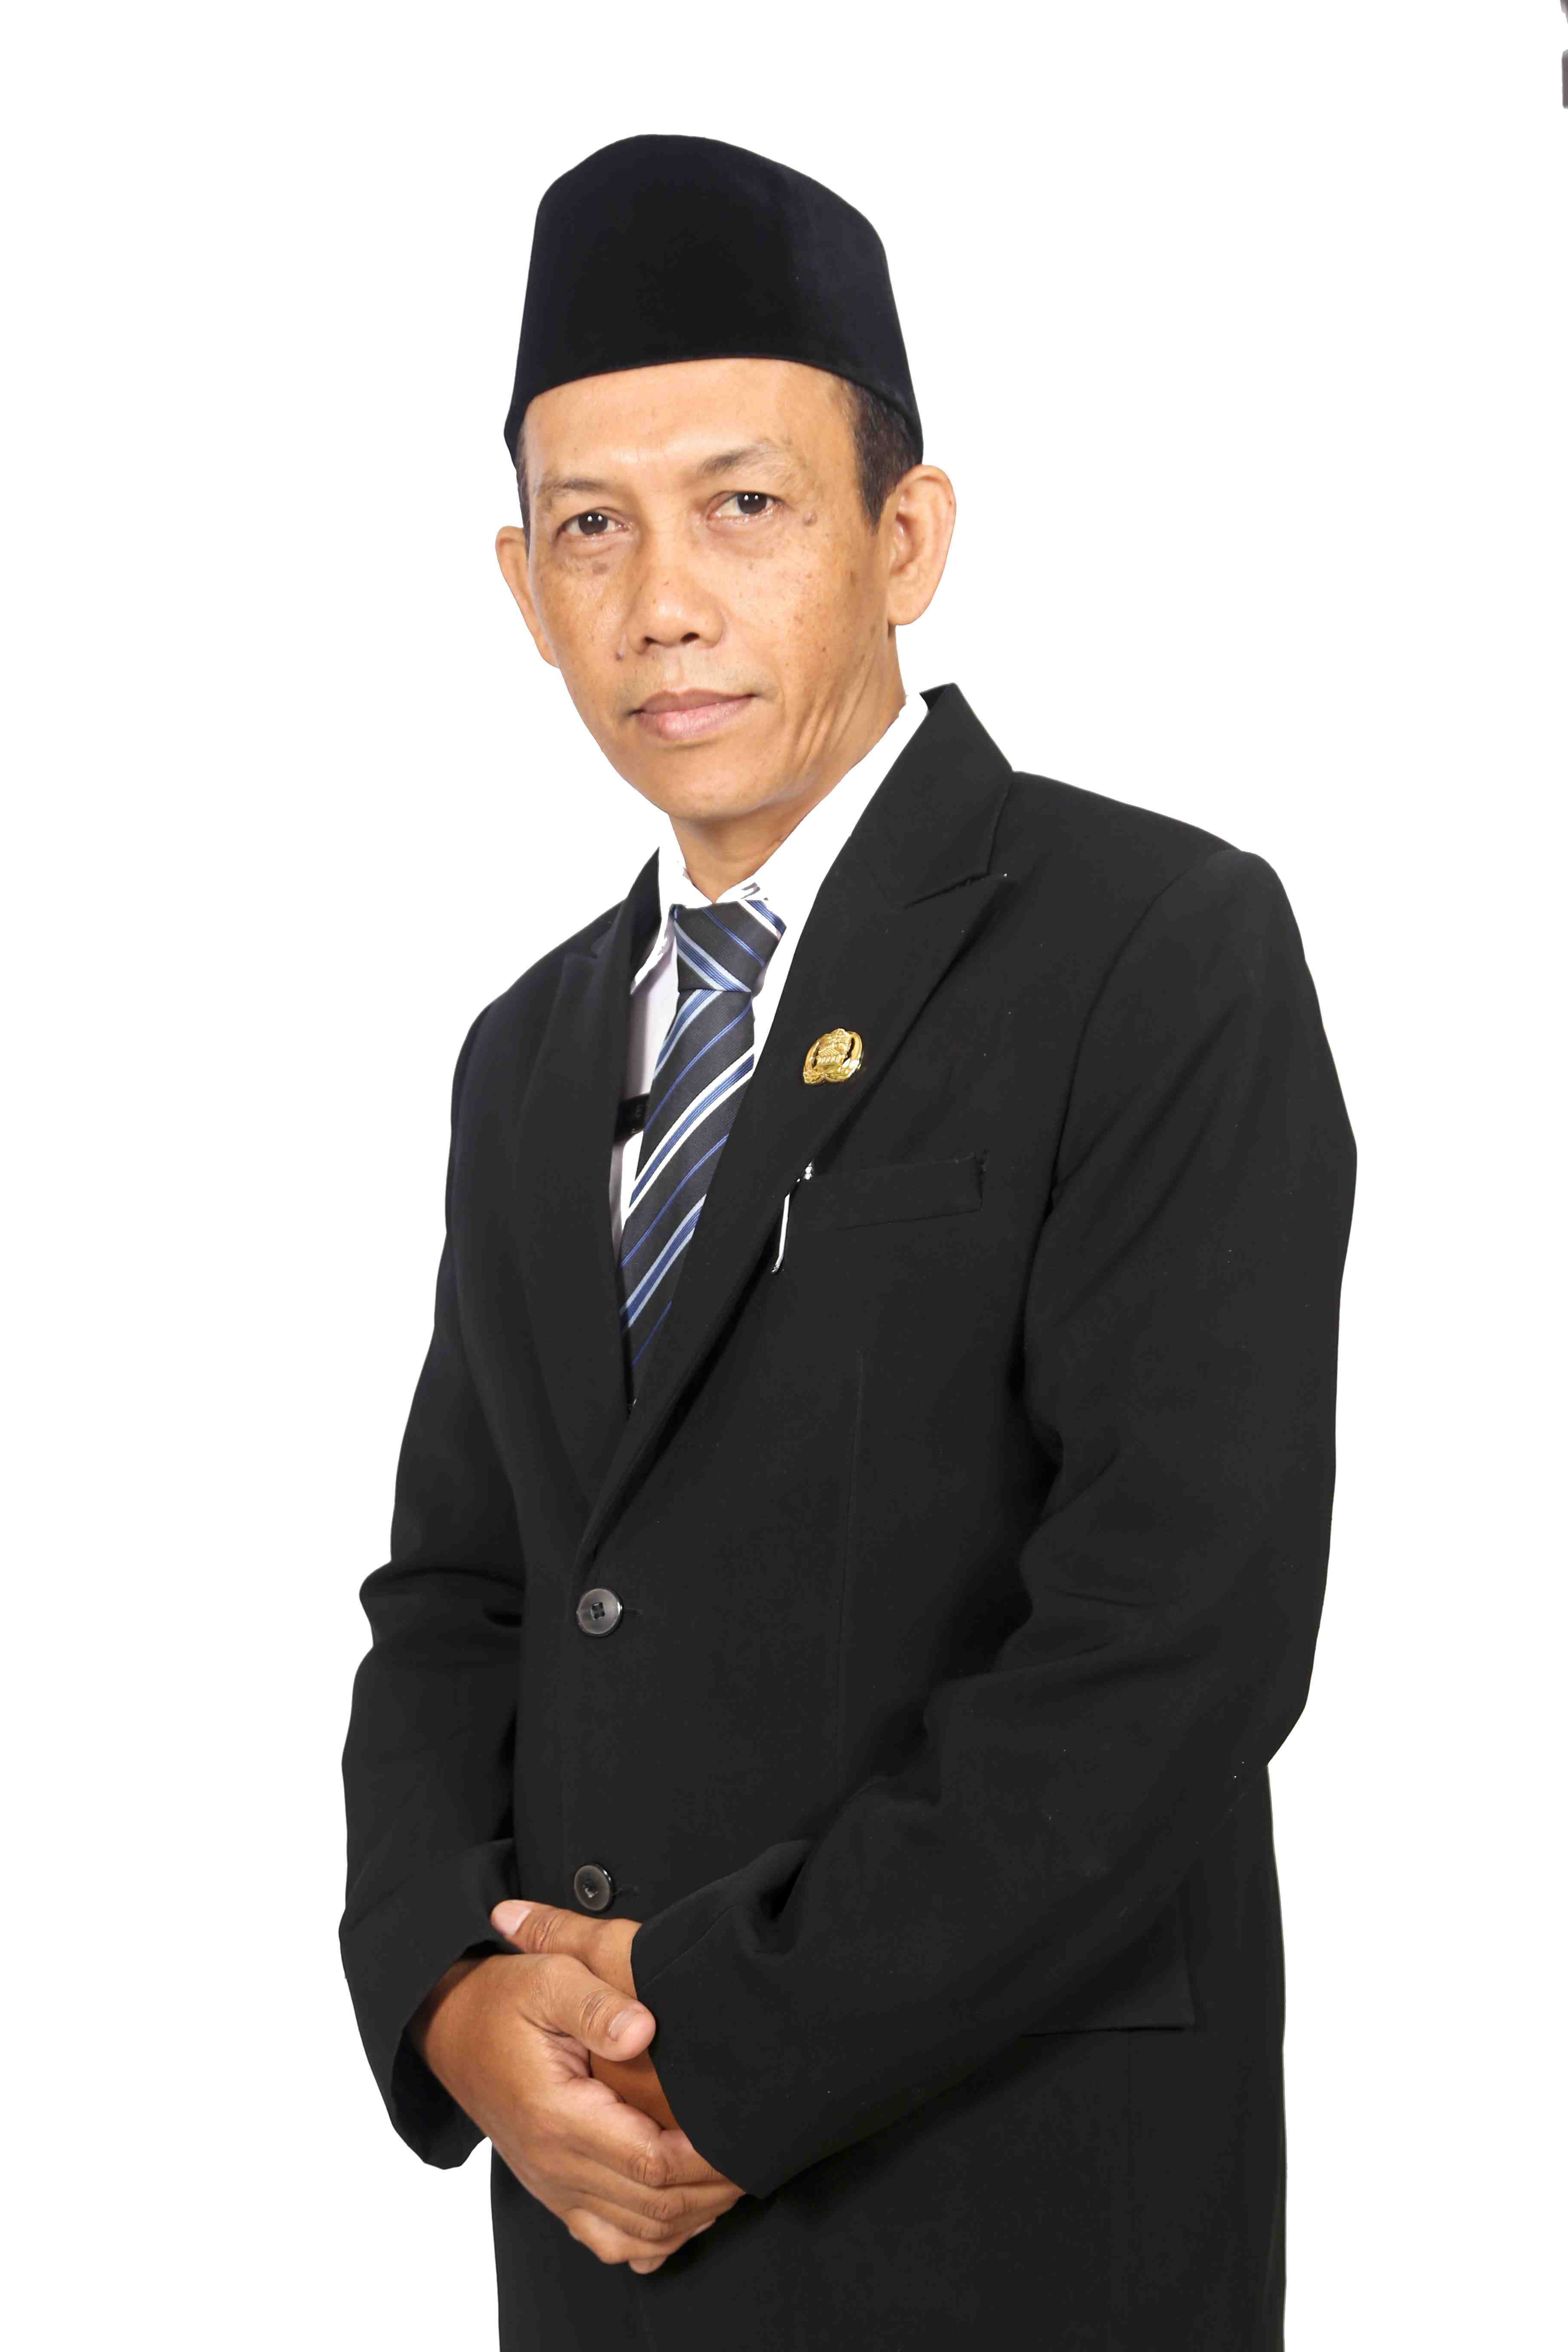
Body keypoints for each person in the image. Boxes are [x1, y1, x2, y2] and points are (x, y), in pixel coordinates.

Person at [339, 132, 1357, 2351]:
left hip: (1014, 2218)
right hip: (604, 2238)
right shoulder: (528, 1053)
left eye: (744, 506)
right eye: (589, 528)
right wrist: (442, 1992)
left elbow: (1177, 1633)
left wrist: (722, 2037)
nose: (661, 602)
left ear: (907, 539)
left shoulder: (1153, 948)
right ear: (520, 583)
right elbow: (465, 1595)